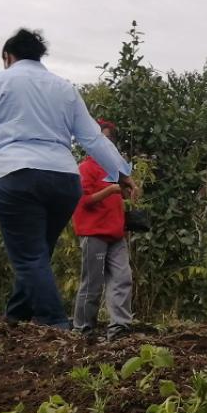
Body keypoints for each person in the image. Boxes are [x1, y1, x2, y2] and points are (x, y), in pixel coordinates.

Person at [0, 28, 136, 329]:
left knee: (29, 256)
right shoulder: (64, 88)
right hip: (63, 181)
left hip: (15, 176)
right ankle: (15, 315)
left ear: (8, 57)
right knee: (37, 252)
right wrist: (121, 172)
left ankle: (55, 324)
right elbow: (93, 138)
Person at [71, 119, 134, 340]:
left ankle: (119, 326)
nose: (107, 144)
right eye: (103, 140)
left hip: (115, 233)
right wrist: (111, 190)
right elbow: (83, 201)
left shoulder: (115, 170)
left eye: (110, 141)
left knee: (122, 277)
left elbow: (123, 196)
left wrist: (130, 190)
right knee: (93, 282)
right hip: (93, 232)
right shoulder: (84, 169)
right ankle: (83, 327)